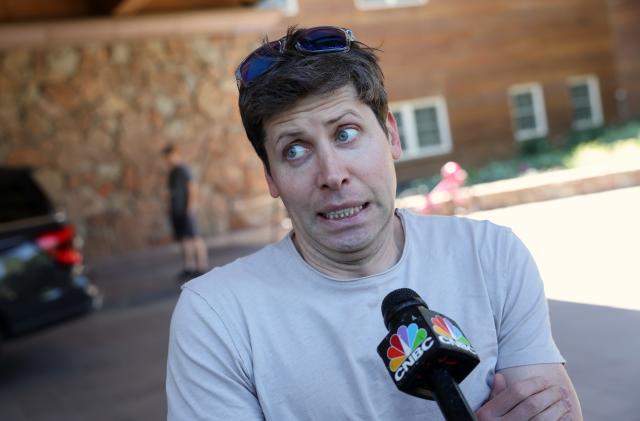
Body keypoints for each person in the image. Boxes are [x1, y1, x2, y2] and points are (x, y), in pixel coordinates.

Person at [166, 26, 582, 420]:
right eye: (295, 150)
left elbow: (556, 409)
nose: (332, 174)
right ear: (271, 178)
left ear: (391, 137)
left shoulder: (491, 256)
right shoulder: (216, 317)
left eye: (346, 133)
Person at [162, 143, 209, 280]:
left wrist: (191, 206)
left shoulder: (184, 169)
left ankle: (202, 267)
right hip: (176, 211)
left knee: (195, 238)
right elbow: (170, 192)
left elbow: (192, 187)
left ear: (175, 154)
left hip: (186, 210)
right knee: (184, 240)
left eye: (169, 156)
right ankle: (189, 267)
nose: (167, 160)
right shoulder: (172, 172)